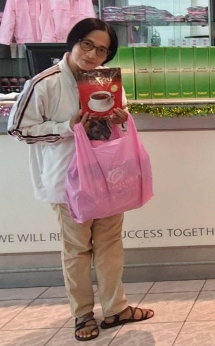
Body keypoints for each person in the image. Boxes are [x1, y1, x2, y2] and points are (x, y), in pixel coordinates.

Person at [7, 18, 154, 342]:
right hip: (68, 181)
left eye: (102, 50)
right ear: (73, 42)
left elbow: (120, 120)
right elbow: (18, 129)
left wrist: (121, 118)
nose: (92, 54)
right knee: (77, 249)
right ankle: (83, 314)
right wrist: (66, 127)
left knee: (110, 244)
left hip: (108, 177)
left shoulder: (108, 82)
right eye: (87, 44)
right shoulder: (44, 83)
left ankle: (115, 308)